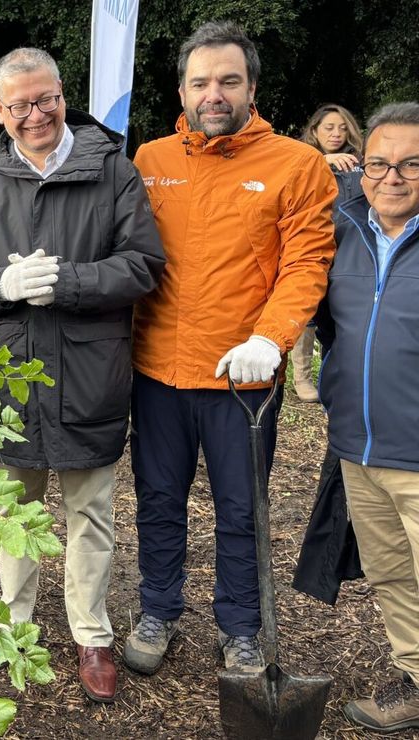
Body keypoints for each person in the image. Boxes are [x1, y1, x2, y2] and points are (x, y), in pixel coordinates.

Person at [0, 48, 166, 703]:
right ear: (0, 110)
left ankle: (90, 632)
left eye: (46, 99)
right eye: (20, 105)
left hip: (91, 374)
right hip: (10, 382)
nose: (35, 114)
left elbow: (143, 265)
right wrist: (2, 284)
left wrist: (69, 282)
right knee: (12, 511)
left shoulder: (113, 173)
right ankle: (11, 625)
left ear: (63, 95)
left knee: (90, 514)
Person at [125, 21, 336, 676]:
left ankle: (240, 625)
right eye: (200, 82)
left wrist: (270, 341)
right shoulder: (150, 161)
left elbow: (306, 264)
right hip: (155, 371)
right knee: (157, 498)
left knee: (241, 508)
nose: (213, 93)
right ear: (182, 89)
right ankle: (158, 606)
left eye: (228, 81)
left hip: (239, 379)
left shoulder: (297, 166)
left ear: (252, 87)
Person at [315, 101, 419, 733]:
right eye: (378, 163)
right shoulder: (344, 227)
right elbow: (328, 325)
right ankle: (416, 676)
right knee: (391, 574)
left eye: (410, 164)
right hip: (358, 446)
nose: (392, 177)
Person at [290, 103, 366, 402]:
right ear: (314, 132)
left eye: (342, 127)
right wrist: (321, 161)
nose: (336, 133)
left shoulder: (361, 162)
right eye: (329, 128)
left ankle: (340, 373)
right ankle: (303, 378)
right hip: (313, 246)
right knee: (309, 312)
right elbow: (289, 183)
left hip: (351, 249)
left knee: (341, 315)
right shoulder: (302, 159)